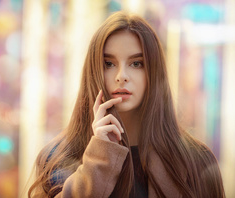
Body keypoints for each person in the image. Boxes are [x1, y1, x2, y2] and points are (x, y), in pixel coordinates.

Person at [28, 11, 225, 198]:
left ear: (153, 73)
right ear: (94, 71)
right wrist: (99, 158)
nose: (122, 76)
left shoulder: (196, 161)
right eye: (109, 64)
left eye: (136, 63)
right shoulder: (56, 159)